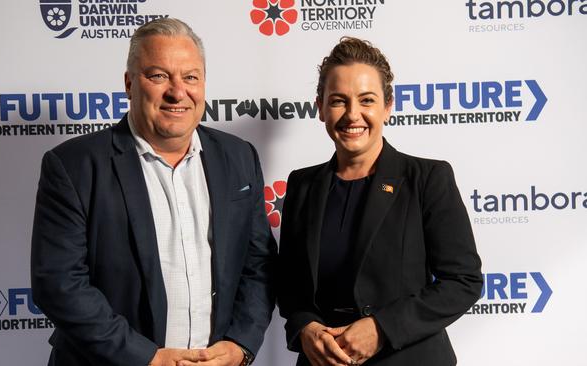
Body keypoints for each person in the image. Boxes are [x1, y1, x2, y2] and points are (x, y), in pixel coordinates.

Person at [31, 18, 277, 366]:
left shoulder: (238, 157)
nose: (178, 92)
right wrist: (148, 358)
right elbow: (58, 283)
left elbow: (259, 264)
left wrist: (241, 345)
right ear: (129, 84)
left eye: (190, 77)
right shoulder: (73, 166)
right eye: (159, 76)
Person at [277, 37, 483, 366]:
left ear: (388, 106)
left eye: (367, 100)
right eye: (338, 101)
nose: (352, 114)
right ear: (320, 108)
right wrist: (306, 328)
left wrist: (382, 328)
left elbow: (463, 282)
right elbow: (290, 288)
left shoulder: (427, 178)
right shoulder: (302, 185)